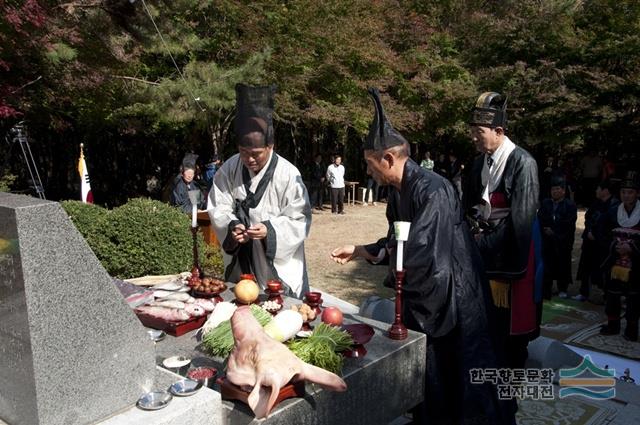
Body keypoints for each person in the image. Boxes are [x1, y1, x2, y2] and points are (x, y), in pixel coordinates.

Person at [330, 88, 513, 425]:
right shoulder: (398, 192)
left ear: (388, 159)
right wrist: (360, 251)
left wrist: (397, 275)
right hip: (429, 293)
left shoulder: (434, 189)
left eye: (371, 165)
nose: (369, 172)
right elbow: (397, 241)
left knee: (463, 376)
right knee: (430, 375)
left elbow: (423, 253)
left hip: (454, 296)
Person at [207, 84, 311, 298]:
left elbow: (299, 219)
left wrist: (269, 231)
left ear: (270, 146)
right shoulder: (229, 168)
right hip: (242, 264)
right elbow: (218, 205)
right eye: (244, 152)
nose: (249, 159)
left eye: (256, 153)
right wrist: (232, 227)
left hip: (275, 266)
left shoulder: (288, 174)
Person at [464, 91, 541, 372]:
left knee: (512, 332)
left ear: (498, 131)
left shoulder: (523, 163)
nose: (474, 136)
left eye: (479, 131)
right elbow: (470, 206)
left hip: (511, 255)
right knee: (485, 324)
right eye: (472, 130)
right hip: (483, 250)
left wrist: (481, 245)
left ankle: (510, 384)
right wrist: (470, 231)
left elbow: (520, 221)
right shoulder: (477, 163)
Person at [599, 171, 640, 341]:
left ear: (637, 194)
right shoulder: (613, 211)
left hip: (636, 262)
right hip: (615, 261)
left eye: (630, 192)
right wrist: (614, 246)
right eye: (623, 192)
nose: (626, 195)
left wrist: (632, 247)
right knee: (613, 295)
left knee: (634, 297)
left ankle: (631, 329)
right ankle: (613, 325)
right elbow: (602, 231)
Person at [575, 179, 620, 301]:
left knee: (604, 269)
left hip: (603, 243)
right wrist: (589, 230)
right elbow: (588, 217)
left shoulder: (615, 206)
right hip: (589, 241)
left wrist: (597, 235)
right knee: (586, 266)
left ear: (605, 191)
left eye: (598, 189)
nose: (596, 191)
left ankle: (605, 294)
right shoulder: (596, 202)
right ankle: (584, 292)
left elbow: (611, 226)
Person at [538, 174, 577, 300]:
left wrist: (554, 231)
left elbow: (569, 223)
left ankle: (562, 288)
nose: (554, 192)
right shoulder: (546, 203)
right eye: (553, 189)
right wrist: (546, 229)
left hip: (563, 240)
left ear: (563, 191)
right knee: (547, 264)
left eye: (557, 189)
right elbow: (541, 218)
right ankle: (546, 289)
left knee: (563, 264)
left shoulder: (570, 205)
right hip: (547, 240)